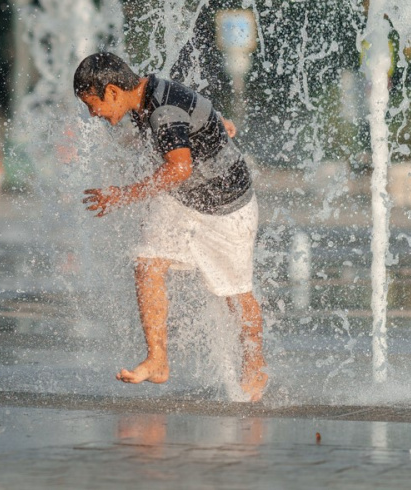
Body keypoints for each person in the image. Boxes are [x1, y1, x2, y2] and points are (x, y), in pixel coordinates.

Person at [74, 52, 268, 401]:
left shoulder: (162, 111)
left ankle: (254, 364)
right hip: (185, 200)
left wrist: (122, 195)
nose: (94, 114)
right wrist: (216, 124)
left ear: (114, 92)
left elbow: (179, 169)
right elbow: (193, 114)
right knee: (148, 263)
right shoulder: (149, 94)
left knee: (236, 294)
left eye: (93, 105)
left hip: (227, 208)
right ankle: (158, 359)